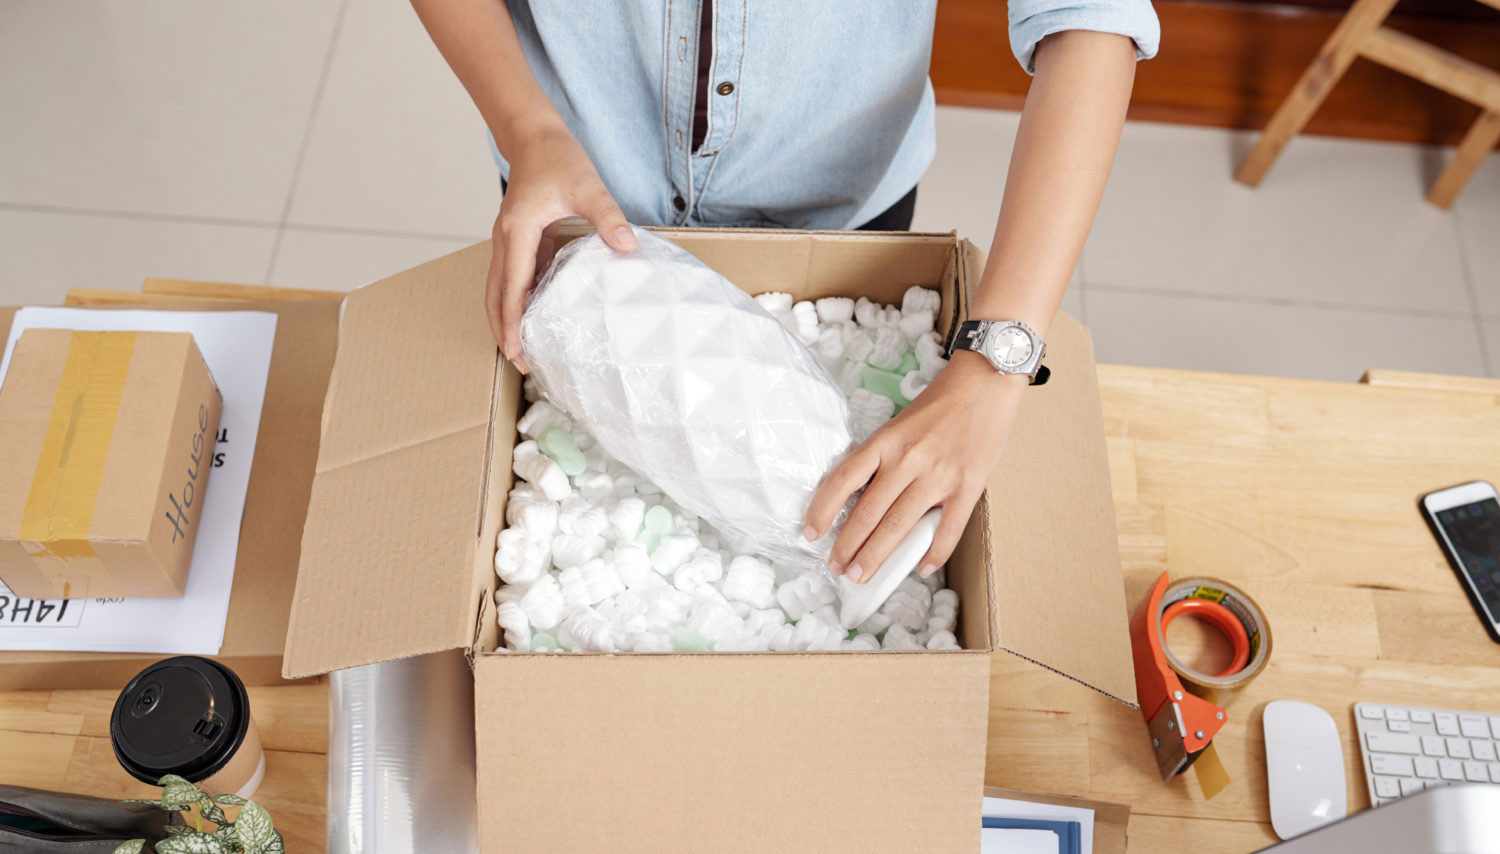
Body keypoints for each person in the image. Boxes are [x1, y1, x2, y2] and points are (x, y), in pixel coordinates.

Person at [411, 1, 1159, 584]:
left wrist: (996, 362)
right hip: (575, 180)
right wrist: (526, 126)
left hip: (840, 201)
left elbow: (1092, 19)